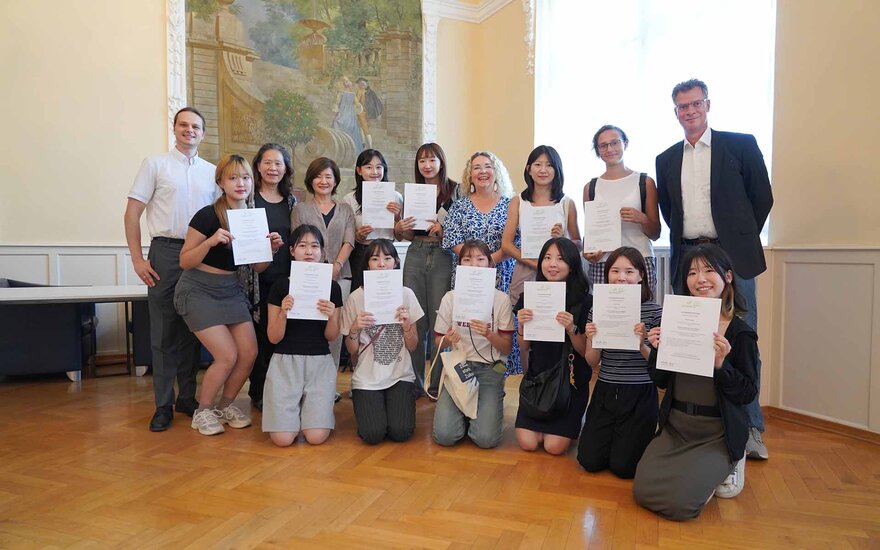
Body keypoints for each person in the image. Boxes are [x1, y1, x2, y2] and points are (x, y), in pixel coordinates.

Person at [655, 79, 773, 459]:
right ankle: (697, 422)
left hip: (732, 256)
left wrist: (735, 239)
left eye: (695, 104)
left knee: (740, 337)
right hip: (688, 255)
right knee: (690, 338)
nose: (689, 111)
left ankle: (750, 428)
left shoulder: (740, 145)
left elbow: (762, 197)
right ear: (675, 112)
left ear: (708, 104)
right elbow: (671, 213)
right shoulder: (666, 158)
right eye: (682, 107)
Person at [633, 244, 759, 521]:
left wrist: (721, 365)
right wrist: (656, 350)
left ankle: (735, 460)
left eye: (708, 270)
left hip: (716, 434)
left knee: (681, 507)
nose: (700, 279)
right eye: (692, 272)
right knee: (641, 492)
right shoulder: (676, 322)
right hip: (676, 427)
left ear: (727, 277)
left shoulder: (740, 333)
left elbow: (748, 392)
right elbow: (660, 380)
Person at [175, 154, 284, 436]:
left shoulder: (250, 216)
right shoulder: (208, 215)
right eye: (233, 177)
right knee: (226, 355)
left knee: (248, 353)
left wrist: (270, 250)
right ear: (221, 182)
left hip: (231, 290)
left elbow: (258, 267)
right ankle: (202, 411)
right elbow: (185, 261)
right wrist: (211, 241)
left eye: (246, 177)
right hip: (198, 289)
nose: (241, 183)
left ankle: (225, 405)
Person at [124, 106, 218, 432]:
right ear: (174, 128)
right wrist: (137, 259)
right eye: (183, 125)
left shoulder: (212, 172)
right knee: (164, 331)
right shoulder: (155, 164)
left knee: (195, 329)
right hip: (165, 252)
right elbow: (131, 213)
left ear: (203, 134)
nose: (189, 130)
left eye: (195, 127)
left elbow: (226, 214)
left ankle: (187, 398)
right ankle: (163, 404)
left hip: (203, 253)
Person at [577, 247, 662, 479]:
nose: (621, 277)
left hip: (640, 393)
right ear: (607, 275)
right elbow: (592, 361)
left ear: (641, 276)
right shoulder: (598, 309)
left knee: (624, 468)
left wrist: (642, 344)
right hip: (606, 389)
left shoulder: (655, 312)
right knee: (589, 460)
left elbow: (660, 370)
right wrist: (592, 339)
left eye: (629, 271)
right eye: (615, 271)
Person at [502, 145, 581, 374]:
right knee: (526, 327)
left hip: (558, 275)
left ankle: (558, 379)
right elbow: (507, 244)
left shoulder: (566, 202)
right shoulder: (518, 201)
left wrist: (562, 237)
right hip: (526, 272)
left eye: (548, 165)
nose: (543, 169)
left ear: (557, 170)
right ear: (528, 169)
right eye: (537, 164)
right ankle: (530, 381)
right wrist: (534, 263)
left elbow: (578, 244)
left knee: (555, 327)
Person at [263, 225, 342, 446]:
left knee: (316, 437)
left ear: (322, 252)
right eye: (303, 246)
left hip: (319, 361)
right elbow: (273, 337)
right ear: (291, 250)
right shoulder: (281, 287)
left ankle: (309, 415)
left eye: (315, 246)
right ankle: (291, 416)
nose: (309, 251)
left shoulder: (332, 288)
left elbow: (332, 336)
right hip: (285, 361)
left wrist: (331, 316)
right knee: (282, 439)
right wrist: (283, 313)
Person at [432, 240, 514, 449]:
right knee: (445, 436)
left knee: (486, 439)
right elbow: (438, 342)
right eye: (467, 260)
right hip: (459, 366)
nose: (474, 264)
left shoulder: (501, 300)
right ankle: (470, 409)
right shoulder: (450, 298)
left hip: (490, 368)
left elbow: (506, 348)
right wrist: (448, 339)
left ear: (489, 265)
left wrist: (488, 333)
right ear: (459, 267)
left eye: (480, 259)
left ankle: (486, 402)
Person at [341, 239, 424, 444]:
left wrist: (405, 325)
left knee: (401, 432)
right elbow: (351, 349)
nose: (381, 264)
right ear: (367, 264)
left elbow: (413, 346)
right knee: (373, 434)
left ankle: (391, 408)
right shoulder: (355, 297)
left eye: (387, 258)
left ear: (396, 262)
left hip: (400, 375)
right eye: (375, 259)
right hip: (367, 377)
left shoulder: (406, 294)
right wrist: (354, 328)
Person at [442, 151, 518, 374]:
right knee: (468, 326)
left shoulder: (510, 205)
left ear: (496, 173)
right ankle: (463, 380)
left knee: (496, 327)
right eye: (476, 167)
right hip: (467, 274)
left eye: (487, 166)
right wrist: (476, 262)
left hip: (501, 274)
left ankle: (496, 381)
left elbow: (515, 241)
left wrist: (489, 262)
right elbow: (452, 239)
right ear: (470, 175)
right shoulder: (460, 206)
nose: (482, 171)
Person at [514, 237, 591, 455]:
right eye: (547, 258)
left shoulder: (585, 301)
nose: (552, 264)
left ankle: (575, 418)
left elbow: (585, 352)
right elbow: (523, 346)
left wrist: (571, 328)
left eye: (560, 258)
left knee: (554, 447)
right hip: (538, 380)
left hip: (570, 382)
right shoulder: (530, 295)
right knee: (528, 443)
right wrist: (522, 325)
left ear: (572, 264)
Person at [395, 143, 459, 393]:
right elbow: (409, 234)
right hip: (417, 252)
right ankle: (414, 383)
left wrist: (444, 232)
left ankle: (437, 383)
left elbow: (460, 226)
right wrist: (399, 228)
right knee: (414, 318)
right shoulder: (413, 192)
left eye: (432, 160)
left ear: (441, 162)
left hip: (443, 254)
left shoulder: (456, 191)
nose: (427, 165)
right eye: (422, 161)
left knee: (438, 320)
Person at [290, 157, 356, 369]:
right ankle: (308, 377)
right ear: (311, 180)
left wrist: (336, 267)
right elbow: (297, 243)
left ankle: (330, 380)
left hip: (341, 276)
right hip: (307, 277)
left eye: (328, 176)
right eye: (318, 176)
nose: (323, 181)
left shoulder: (345, 209)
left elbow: (349, 241)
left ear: (335, 181)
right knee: (308, 325)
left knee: (334, 327)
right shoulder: (300, 209)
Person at [583, 126, 661, 297]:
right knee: (605, 316)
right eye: (603, 145)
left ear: (625, 143)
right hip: (604, 263)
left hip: (639, 260)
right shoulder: (591, 187)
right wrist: (589, 253)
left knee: (642, 314)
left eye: (615, 142)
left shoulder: (644, 182)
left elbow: (655, 233)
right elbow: (589, 235)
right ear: (597, 150)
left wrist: (641, 218)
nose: (610, 149)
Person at [247, 143, 296, 411]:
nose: (272, 168)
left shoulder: (292, 202)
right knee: (260, 336)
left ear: (285, 168)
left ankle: (282, 390)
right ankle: (259, 391)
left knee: (282, 335)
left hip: (285, 279)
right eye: (267, 162)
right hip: (256, 280)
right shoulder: (249, 200)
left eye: (278, 163)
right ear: (258, 166)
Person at [341, 149, 402, 292]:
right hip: (362, 253)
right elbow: (347, 237)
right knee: (360, 296)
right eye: (369, 167)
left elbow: (400, 236)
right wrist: (359, 236)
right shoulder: (349, 199)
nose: (375, 171)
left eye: (379, 167)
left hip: (387, 253)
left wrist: (398, 217)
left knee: (388, 296)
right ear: (359, 170)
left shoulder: (396, 197)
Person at [331, 76, 363, 153]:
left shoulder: (341, 94)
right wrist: (359, 109)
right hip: (351, 116)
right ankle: (349, 150)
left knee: (339, 126)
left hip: (343, 114)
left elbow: (336, 104)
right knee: (351, 129)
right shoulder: (353, 95)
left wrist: (334, 115)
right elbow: (358, 105)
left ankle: (341, 149)